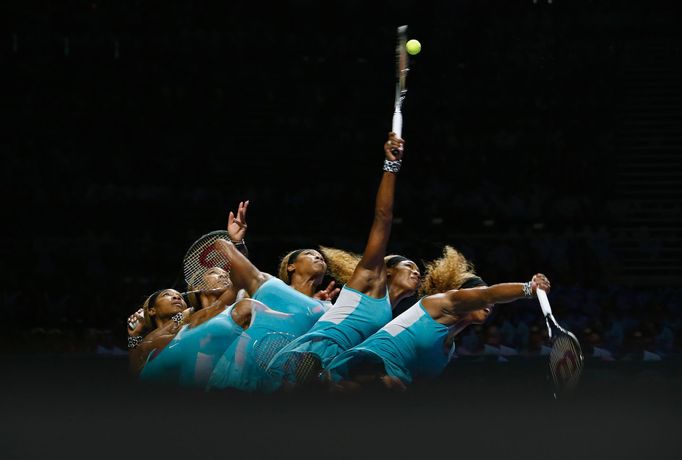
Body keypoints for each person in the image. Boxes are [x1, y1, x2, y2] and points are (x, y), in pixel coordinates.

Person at [265, 132, 420, 388]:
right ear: (388, 271)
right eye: (409, 266)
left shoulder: (391, 316)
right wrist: (391, 166)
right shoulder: (369, 277)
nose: (416, 272)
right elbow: (383, 217)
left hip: (338, 364)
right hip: (313, 356)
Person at [324, 247, 552, 391]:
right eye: (478, 297)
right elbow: (489, 294)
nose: (488, 304)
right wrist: (528, 288)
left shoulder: (448, 350)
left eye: (489, 302)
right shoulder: (441, 302)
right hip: (357, 372)